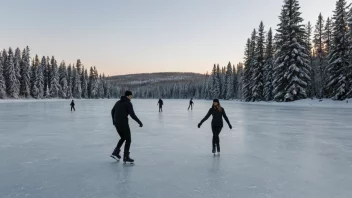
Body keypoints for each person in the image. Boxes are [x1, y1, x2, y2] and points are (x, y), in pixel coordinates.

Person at [111, 90, 143, 163]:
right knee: (128, 139)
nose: (131, 97)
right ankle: (126, 157)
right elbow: (132, 115)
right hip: (123, 124)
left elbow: (112, 111)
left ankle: (115, 152)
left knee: (123, 138)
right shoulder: (128, 103)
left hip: (117, 124)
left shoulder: (118, 102)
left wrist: (114, 121)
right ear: (128, 96)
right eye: (131, 95)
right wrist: (139, 122)